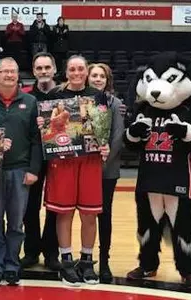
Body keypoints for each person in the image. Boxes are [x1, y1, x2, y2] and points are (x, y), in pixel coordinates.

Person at [39, 56, 110, 286]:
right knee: (64, 212)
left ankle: (87, 261)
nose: (77, 73)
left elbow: (102, 129)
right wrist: (44, 126)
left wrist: (104, 143)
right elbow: (47, 131)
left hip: (89, 159)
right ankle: (67, 262)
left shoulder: (98, 96)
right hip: (63, 158)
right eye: (72, 69)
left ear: (86, 71)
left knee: (89, 213)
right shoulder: (53, 97)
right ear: (65, 71)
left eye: (81, 69)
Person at [0, 58, 38, 286]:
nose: (9, 75)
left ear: (19, 75)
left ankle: (12, 264)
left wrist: (33, 169)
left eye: (13, 71)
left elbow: (37, 139)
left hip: (20, 169)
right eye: (5, 71)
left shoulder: (30, 101)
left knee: (16, 222)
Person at [20, 53, 60, 271]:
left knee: (55, 206)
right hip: (33, 159)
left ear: (54, 69)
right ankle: (31, 251)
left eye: (47, 67)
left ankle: (51, 252)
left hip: (59, 158)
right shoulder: (26, 97)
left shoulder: (64, 96)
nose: (43, 71)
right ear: (33, 71)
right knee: (30, 207)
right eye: (39, 68)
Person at [86, 63, 125, 283]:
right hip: (83, 169)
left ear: (107, 79)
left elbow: (117, 138)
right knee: (85, 215)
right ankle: (86, 257)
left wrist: (101, 162)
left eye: (102, 76)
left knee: (104, 215)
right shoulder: (80, 102)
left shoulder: (116, 104)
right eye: (94, 75)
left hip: (106, 170)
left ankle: (105, 260)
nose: (98, 79)